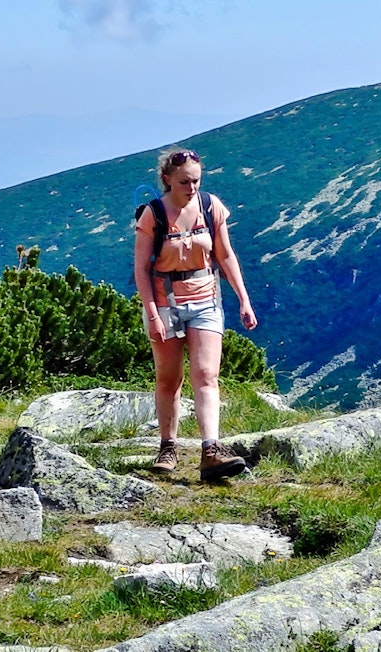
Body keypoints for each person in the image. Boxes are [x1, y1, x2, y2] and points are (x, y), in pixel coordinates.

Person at [134, 148, 258, 482]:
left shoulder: (210, 206)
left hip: (206, 298)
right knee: (168, 378)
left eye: (196, 180)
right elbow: (141, 270)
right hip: (165, 303)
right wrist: (152, 314)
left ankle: (210, 450)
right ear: (167, 180)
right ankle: (168, 446)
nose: (191, 187)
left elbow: (225, 254)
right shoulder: (153, 215)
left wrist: (243, 300)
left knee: (206, 374)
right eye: (184, 182)